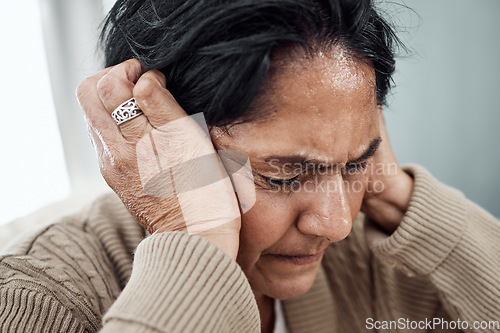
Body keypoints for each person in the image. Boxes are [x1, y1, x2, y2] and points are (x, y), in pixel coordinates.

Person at [1, 0, 499, 332]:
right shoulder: (41, 298)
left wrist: (395, 193)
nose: (338, 224)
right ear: (158, 143)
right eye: (283, 174)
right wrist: (193, 237)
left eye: (356, 163)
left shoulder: (377, 262)